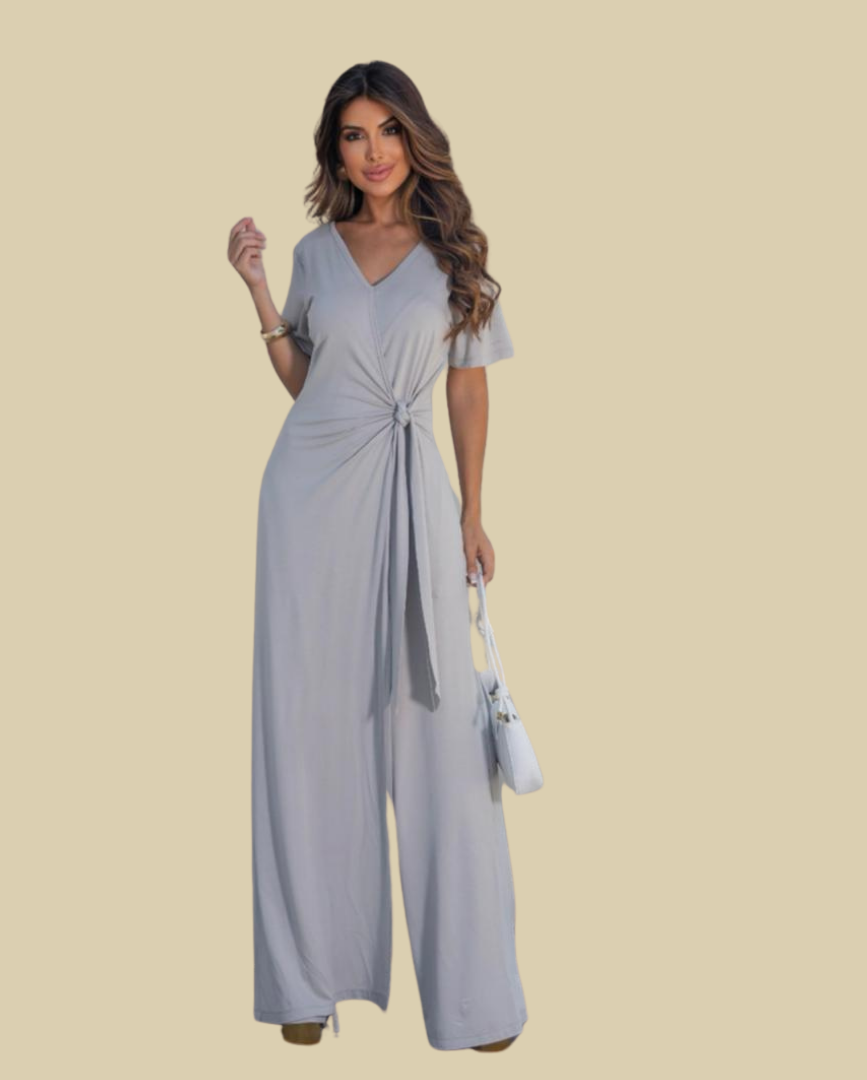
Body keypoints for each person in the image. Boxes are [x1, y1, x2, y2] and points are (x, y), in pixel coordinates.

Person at [228, 61, 527, 1053]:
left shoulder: (453, 254)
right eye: (353, 135)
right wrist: (258, 289)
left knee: (442, 743)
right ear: (336, 151)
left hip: (415, 496)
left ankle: (475, 997)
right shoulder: (314, 253)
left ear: (415, 136)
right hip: (308, 504)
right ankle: (305, 983)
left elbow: (468, 385)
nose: (374, 152)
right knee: (306, 733)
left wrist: (472, 511)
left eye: (388, 130)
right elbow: (307, 382)